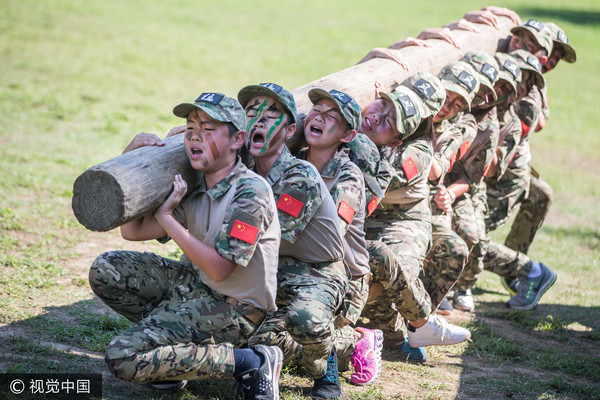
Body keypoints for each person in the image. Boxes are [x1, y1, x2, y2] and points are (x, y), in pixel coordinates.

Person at [88, 92, 283, 400]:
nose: (195, 136)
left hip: (237, 309)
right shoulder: (195, 185)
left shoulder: (250, 193)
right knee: (107, 268)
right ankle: (173, 358)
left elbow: (220, 270)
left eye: (208, 128)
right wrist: (128, 159)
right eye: (191, 128)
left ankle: (252, 361)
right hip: (197, 286)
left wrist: (167, 216)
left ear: (237, 140)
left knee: (122, 356)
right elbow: (133, 230)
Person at [236, 83, 348, 399]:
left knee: (307, 320)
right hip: (263, 270)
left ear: (289, 132)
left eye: (270, 114)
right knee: (238, 338)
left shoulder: (301, 176)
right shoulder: (239, 166)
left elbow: (272, 233)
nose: (257, 120)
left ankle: (326, 362)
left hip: (315, 273)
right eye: (251, 113)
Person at [359, 73, 471, 363]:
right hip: (363, 216)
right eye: (386, 104)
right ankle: (410, 328)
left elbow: (383, 181)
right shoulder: (369, 114)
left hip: (401, 219)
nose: (382, 115)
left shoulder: (419, 148)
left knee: (394, 264)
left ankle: (412, 325)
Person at [296, 88, 383, 388]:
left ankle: (357, 339)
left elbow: (332, 233)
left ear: (347, 136)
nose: (319, 117)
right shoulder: (293, 162)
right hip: (298, 267)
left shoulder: (348, 176)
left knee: (301, 345)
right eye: (316, 110)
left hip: (343, 278)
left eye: (331, 116)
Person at [422, 61, 480, 316]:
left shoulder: (456, 127)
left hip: (419, 200)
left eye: (457, 104)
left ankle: (421, 310)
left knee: (452, 244)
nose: (448, 106)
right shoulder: (410, 98)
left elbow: (436, 170)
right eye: (448, 96)